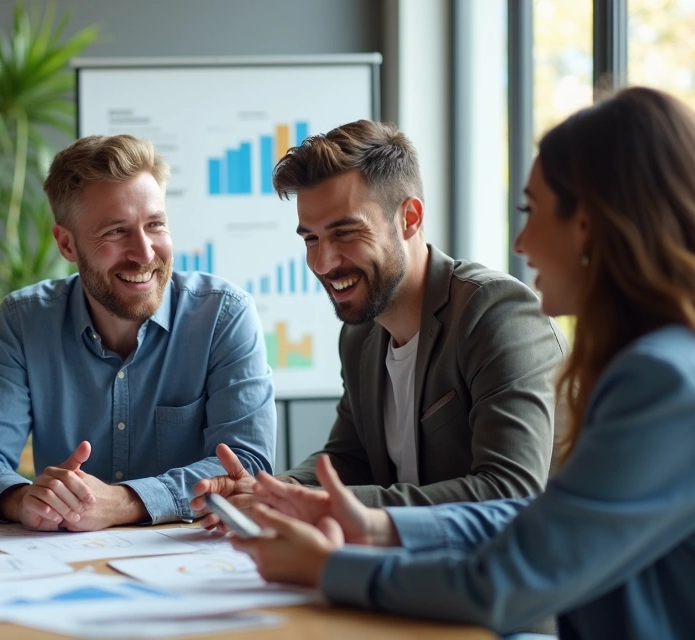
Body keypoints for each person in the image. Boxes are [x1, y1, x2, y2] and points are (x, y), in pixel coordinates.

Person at [230, 87, 695, 638]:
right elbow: (546, 516)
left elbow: (513, 556)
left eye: (532, 211)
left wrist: (330, 566)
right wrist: (367, 524)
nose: (521, 242)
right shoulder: (649, 363)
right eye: (311, 237)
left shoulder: (660, 379)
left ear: (588, 226)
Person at [194, 119, 565, 522]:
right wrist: (273, 493)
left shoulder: (495, 312)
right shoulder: (360, 335)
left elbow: (509, 490)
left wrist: (319, 507)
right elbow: (349, 459)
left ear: (409, 218)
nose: (322, 262)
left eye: (345, 233)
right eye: (311, 239)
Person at [0, 134, 276, 530]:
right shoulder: (25, 321)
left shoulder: (223, 315)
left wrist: (124, 502)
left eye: (155, 225)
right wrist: (22, 499)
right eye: (116, 232)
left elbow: (246, 464)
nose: (145, 253)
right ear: (67, 244)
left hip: (189, 562)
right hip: (62, 564)